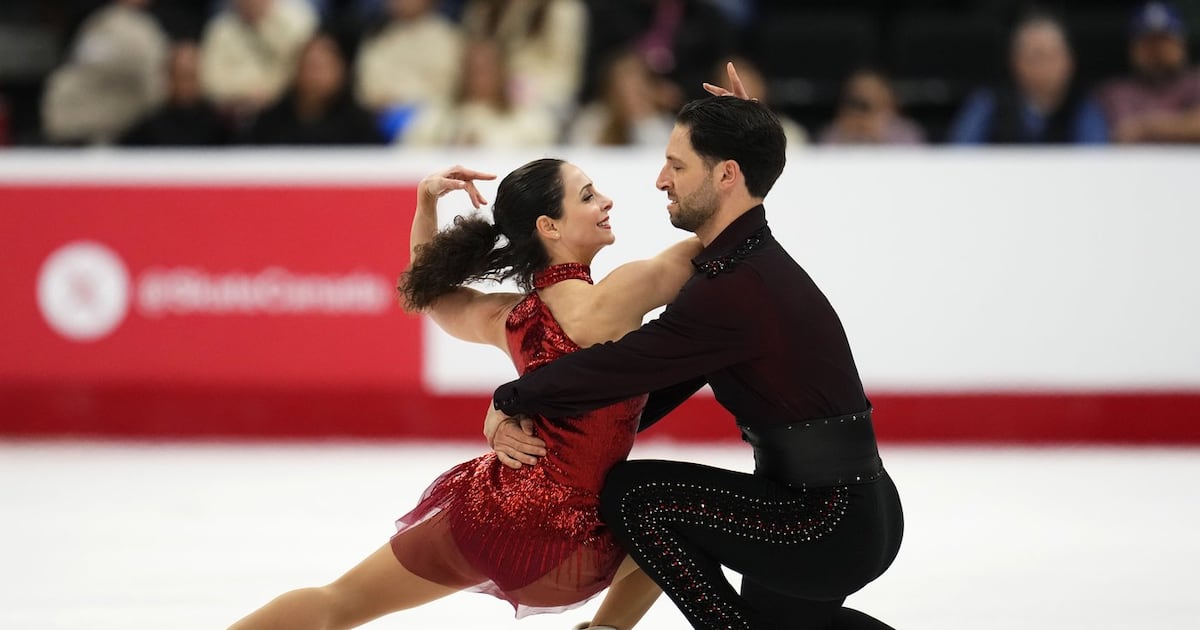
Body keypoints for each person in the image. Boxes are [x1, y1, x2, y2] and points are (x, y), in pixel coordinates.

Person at [489, 66, 903, 629]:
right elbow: (652, 385)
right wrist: (749, 130)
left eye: (678, 166)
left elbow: (625, 367)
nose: (661, 180)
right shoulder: (742, 263)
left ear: (727, 174)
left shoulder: (736, 287)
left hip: (824, 522)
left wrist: (513, 397)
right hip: (839, 509)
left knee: (636, 496)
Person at [229, 158, 702, 629]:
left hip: (491, 512)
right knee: (686, 522)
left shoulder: (510, 317)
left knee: (340, 601)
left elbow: (429, 295)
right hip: (571, 540)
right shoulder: (621, 294)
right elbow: (719, 244)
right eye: (587, 195)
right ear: (549, 226)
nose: (606, 201)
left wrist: (426, 204)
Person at [949, 13, 1108, 144]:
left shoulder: (1083, 106)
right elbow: (960, 155)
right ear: (1016, 63)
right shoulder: (989, 104)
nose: (1047, 65)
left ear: (1070, 61)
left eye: (1054, 55)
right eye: (1038, 56)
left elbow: (1095, 159)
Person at [41, 0, 169, 144]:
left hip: (112, 134)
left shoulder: (144, 31)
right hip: (69, 130)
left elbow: (153, 88)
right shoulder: (99, 21)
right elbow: (80, 62)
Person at [402, 38, 557, 147]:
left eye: (486, 69)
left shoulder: (529, 120)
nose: (479, 77)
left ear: (502, 72)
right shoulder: (438, 117)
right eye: (473, 70)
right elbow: (411, 155)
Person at [246, 33, 384, 145]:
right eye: (310, 66)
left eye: (322, 67)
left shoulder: (359, 126)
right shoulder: (270, 123)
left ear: (341, 71)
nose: (315, 76)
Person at [1099, 1, 1200, 144]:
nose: (1157, 51)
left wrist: (1146, 127)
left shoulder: (1196, 82)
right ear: (1133, 49)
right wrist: (1184, 124)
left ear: (1181, 45)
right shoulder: (1115, 92)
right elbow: (1122, 134)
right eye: (1148, 43)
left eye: (1164, 42)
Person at [199, 0, 317, 117]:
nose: (251, 3)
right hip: (230, 113)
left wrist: (263, 25)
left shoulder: (297, 20)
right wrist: (247, 94)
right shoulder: (219, 29)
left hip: (286, 109)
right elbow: (210, 83)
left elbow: (298, 69)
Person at [354, 0, 463, 114]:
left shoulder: (449, 38)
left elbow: (448, 89)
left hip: (433, 115)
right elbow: (366, 89)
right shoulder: (376, 36)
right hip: (381, 115)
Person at [120, 41, 232, 146]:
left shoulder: (220, 128)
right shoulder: (150, 129)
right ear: (169, 78)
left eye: (191, 76)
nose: (186, 84)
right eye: (181, 76)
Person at [567, 48, 675, 147]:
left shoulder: (659, 122)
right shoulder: (592, 120)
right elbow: (580, 152)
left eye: (636, 89)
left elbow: (661, 154)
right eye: (623, 89)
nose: (630, 96)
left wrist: (643, 120)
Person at [819, 68, 925, 145]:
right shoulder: (835, 131)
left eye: (870, 103)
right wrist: (848, 138)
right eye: (857, 103)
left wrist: (879, 138)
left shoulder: (906, 132)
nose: (863, 112)